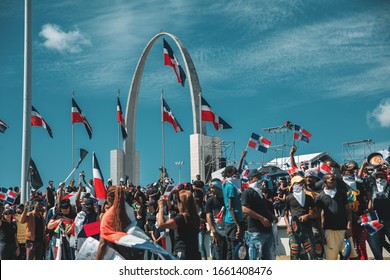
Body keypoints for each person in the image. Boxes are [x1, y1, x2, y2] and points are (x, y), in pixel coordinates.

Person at [315, 173, 358, 260]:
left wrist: (349, 227)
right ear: (325, 181)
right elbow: (319, 216)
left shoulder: (342, 193)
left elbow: (348, 211)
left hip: (343, 230)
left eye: (335, 179)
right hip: (329, 231)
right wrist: (322, 232)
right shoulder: (320, 197)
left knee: (353, 256)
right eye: (332, 179)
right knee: (331, 259)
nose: (334, 181)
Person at [241, 169, 276, 260]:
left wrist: (272, 217)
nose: (261, 179)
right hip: (256, 232)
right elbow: (245, 209)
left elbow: (263, 209)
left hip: (267, 231)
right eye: (258, 177)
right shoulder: (247, 192)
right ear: (252, 179)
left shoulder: (260, 194)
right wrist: (261, 218)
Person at [157, 190, 201, 260]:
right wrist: (178, 195)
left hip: (183, 253)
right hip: (195, 253)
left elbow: (161, 224)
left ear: (182, 203)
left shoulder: (182, 218)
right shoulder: (195, 217)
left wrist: (161, 207)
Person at [341, 160, 370, 260]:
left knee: (362, 246)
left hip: (360, 219)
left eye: (353, 170)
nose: (349, 172)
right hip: (346, 221)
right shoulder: (339, 185)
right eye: (347, 170)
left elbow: (368, 198)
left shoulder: (361, 183)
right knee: (347, 246)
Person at [284, 175, 318, 260]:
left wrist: (308, 216)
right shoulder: (289, 198)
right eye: (298, 183)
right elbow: (285, 214)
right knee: (294, 253)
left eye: (302, 183)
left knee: (311, 253)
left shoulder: (308, 198)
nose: (301, 185)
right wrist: (288, 226)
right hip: (294, 230)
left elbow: (316, 213)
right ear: (293, 185)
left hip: (307, 229)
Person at [366, 168, 390, 260]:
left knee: (382, 240)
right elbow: (370, 201)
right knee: (375, 241)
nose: (380, 179)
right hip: (375, 219)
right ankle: (379, 259)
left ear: (385, 177)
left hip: (388, 219)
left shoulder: (389, 187)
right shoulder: (373, 187)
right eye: (377, 177)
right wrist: (369, 212)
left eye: (381, 176)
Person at [222, 166, 245, 260]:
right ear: (229, 174)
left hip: (230, 221)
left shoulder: (226, 184)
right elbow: (231, 208)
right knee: (236, 249)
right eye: (234, 173)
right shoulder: (231, 187)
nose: (236, 175)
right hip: (233, 222)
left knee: (231, 249)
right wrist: (238, 225)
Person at [205, 178, 227, 260]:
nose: (211, 190)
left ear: (218, 187)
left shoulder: (227, 200)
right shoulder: (210, 201)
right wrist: (213, 231)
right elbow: (208, 216)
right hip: (216, 234)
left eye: (213, 187)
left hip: (227, 233)